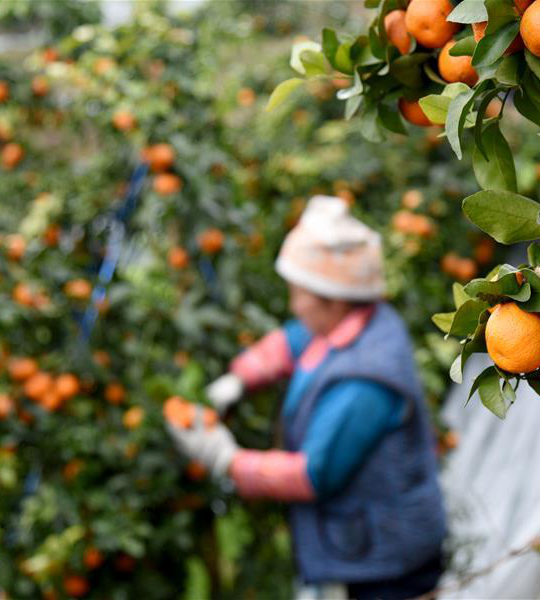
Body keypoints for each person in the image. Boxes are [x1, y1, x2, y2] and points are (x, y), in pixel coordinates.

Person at [167, 195, 446, 600]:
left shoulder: (365, 381)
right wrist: (240, 378)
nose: (293, 305)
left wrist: (226, 460)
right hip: (362, 545)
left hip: (383, 565)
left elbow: (313, 475)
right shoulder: (355, 319)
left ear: (333, 298)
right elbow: (292, 340)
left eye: (299, 293)